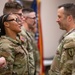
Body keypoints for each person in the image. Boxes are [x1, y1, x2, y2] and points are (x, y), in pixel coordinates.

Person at [48, 3, 75, 75]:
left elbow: (67, 70)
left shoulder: (71, 39)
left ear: (69, 18)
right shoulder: (66, 36)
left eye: (59, 17)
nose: (57, 20)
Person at [20, 8, 40, 75]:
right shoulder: (22, 34)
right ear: (25, 18)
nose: (35, 21)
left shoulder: (30, 33)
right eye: (33, 18)